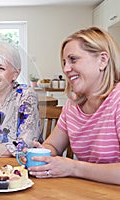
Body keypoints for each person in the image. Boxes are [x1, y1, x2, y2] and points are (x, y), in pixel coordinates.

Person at [28, 27, 120, 185]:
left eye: (73, 59)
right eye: (64, 62)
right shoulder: (72, 106)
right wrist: (41, 154)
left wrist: (73, 167)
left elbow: (74, 168)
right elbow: (52, 145)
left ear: (103, 60)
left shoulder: (117, 101)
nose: (65, 69)